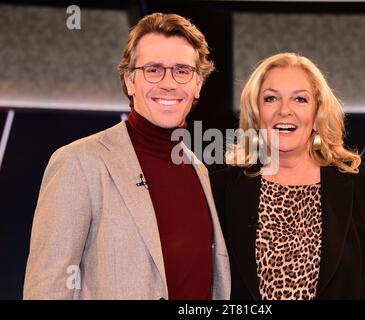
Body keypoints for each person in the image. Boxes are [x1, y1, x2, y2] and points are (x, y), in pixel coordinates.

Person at [23, 13, 230, 300]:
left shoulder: (200, 171)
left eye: (182, 70)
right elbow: (47, 289)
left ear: (197, 85)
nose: (169, 83)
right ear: (130, 81)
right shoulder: (78, 163)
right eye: (154, 70)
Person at [210, 52, 365, 300]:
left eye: (300, 99)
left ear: (317, 114)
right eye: (271, 98)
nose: (284, 110)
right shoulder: (220, 188)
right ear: (256, 114)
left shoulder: (362, 185)